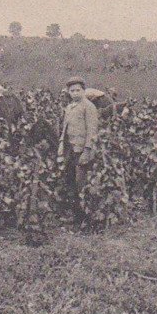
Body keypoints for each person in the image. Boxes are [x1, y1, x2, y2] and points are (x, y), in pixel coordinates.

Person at [59, 76, 99, 227]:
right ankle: (76, 215)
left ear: (83, 91)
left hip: (81, 150)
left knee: (82, 183)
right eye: (72, 91)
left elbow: (92, 131)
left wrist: (87, 150)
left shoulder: (88, 106)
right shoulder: (69, 107)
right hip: (70, 149)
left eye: (78, 90)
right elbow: (65, 129)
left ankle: (86, 218)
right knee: (70, 181)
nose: (75, 93)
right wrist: (62, 146)